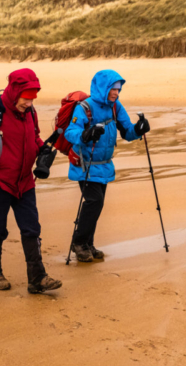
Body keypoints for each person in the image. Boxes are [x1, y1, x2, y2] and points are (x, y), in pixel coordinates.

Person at [0, 68, 62, 294]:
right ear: (15, 92)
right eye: (26, 98)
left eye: (32, 99)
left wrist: (42, 149)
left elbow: (34, 136)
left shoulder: (30, 112)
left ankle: (37, 279)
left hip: (25, 181)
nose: (28, 103)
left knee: (31, 229)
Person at [64, 69, 150, 262]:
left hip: (104, 165)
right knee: (94, 202)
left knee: (97, 204)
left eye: (118, 89)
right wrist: (85, 134)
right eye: (113, 89)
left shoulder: (115, 106)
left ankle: (87, 244)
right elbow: (71, 132)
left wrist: (138, 129)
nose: (116, 93)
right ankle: (78, 243)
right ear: (104, 87)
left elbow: (127, 131)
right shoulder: (85, 107)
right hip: (85, 165)